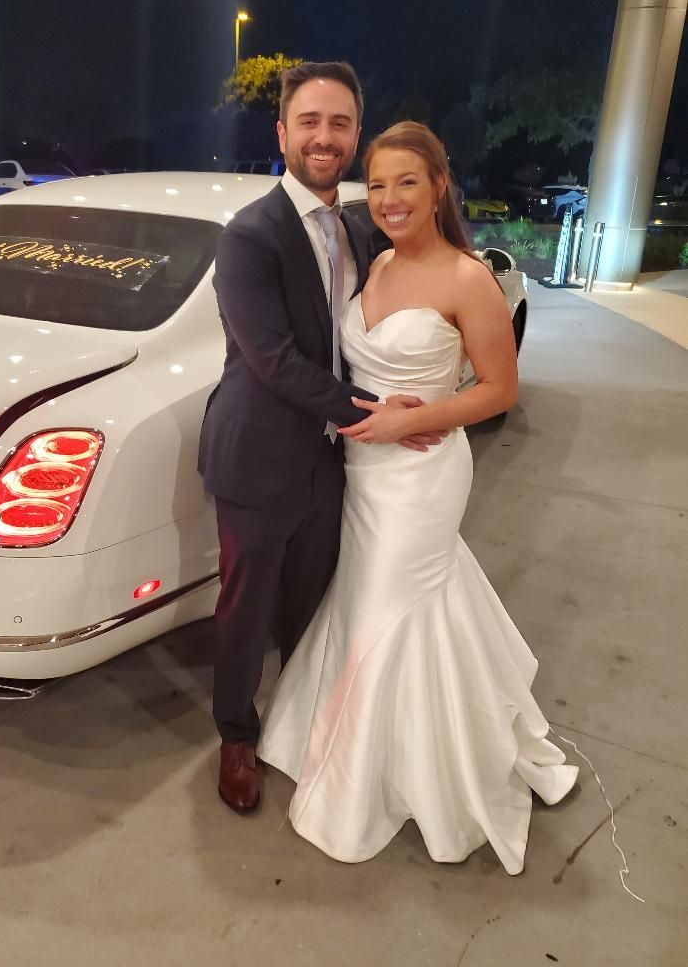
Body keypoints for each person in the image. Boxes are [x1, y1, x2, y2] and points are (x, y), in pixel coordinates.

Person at [258, 121, 578, 873]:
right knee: (369, 598)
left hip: (423, 471)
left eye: (406, 181)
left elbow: (500, 389)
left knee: (385, 607)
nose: (389, 199)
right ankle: (377, 744)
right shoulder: (376, 263)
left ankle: (378, 775)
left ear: (439, 185)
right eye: (376, 185)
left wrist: (419, 416)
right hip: (365, 469)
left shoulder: (468, 277)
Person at [198, 66, 445, 814]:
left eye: (339, 123)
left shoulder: (363, 227)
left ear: (355, 136)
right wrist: (375, 413)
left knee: (312, 601)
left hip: (337, 460)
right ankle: (236, 736)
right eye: (309, 121)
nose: (324, 137)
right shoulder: (250, 236)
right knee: (246, 608)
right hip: (259, 454)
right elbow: (273, 361)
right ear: (282, 134)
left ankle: (303, 721)